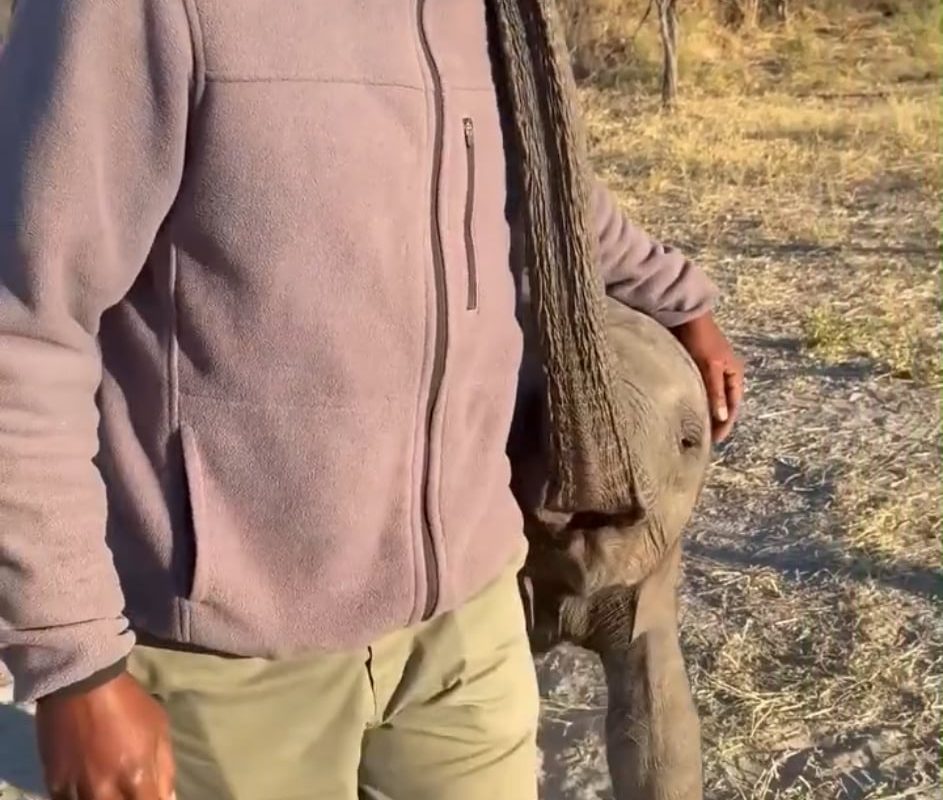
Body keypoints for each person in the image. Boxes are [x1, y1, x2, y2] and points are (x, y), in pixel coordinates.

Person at [0, 2, 743, 799]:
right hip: (228, 653)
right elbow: (23, 325)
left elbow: (541, 178)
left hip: (468, 618)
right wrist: (76, 664)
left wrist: (679, 301)